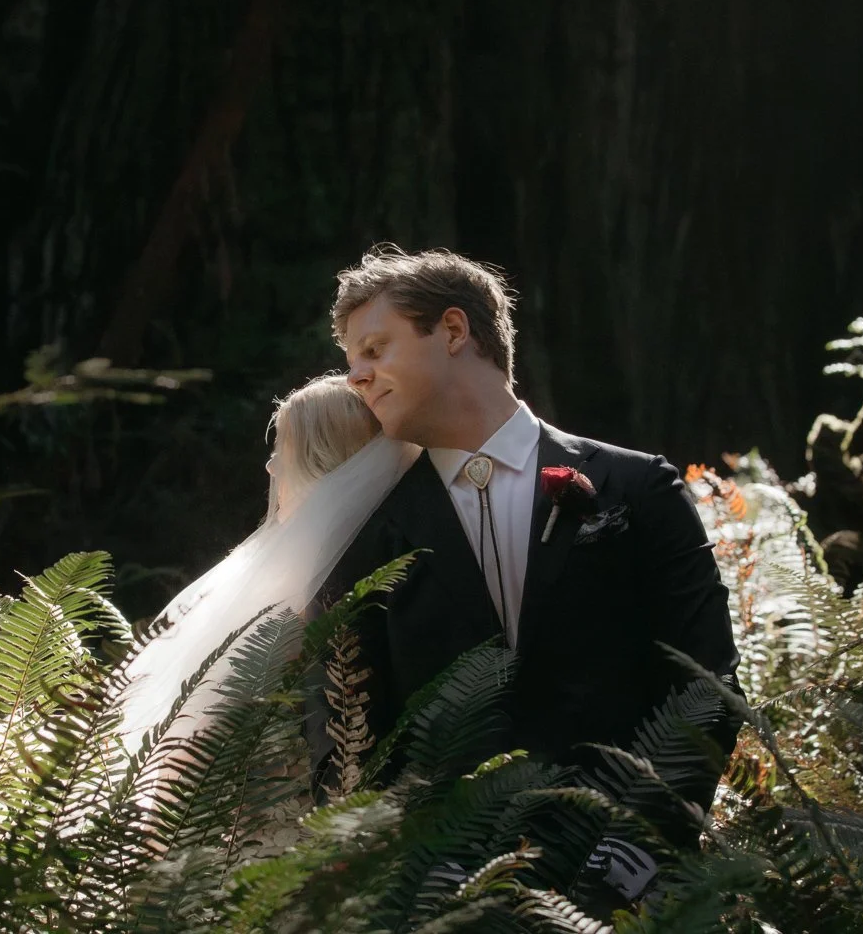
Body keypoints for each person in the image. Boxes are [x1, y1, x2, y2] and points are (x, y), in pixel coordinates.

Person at [310, 244, 744, 901]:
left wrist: (637, 851)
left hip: (633, 885)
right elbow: (343, 728)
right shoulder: (366, 533)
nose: (357, 377)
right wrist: (407, 871)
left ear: (452, 330)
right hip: (442, 893)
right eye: (352, 361)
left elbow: (707, 685)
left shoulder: (637, 489)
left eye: (374, 349)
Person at [115, 375, 420, 792]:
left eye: (284, 451)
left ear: (322, 463)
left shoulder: (331, 595)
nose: (271, 467)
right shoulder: (350, 573)